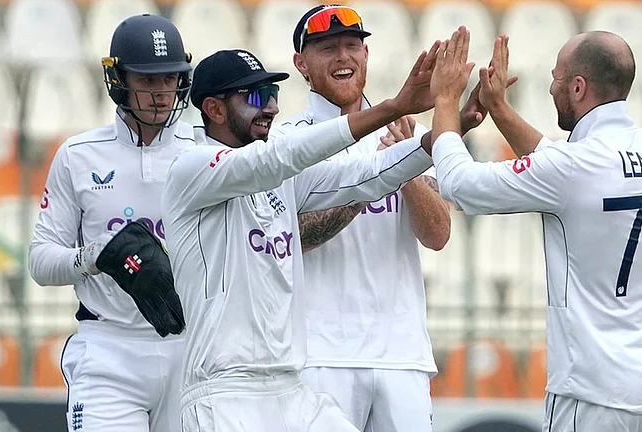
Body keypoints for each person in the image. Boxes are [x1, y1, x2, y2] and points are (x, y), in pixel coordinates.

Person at [426, 27, 642, 432]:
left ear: (578, 87)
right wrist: (499, 109)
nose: (550, 89)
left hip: (600, 395)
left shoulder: (572, 169)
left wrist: (445, 101)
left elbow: (457, 183)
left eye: (555, 79)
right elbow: (562, 167)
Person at [161, 44, 446, 431]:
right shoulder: (192, 168)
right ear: (214, 109)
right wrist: (391, 109)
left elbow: (368, 176)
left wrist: (444, 130)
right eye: (257, 97)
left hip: (291, 388)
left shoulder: (278, 177)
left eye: (274, 95)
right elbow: (278, 159)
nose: (273, 108)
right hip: (224, 392)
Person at [265, 5, 450, 430]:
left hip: (402, 354)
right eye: (327, 48)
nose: (343, 57)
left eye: (352, 45)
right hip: (318, 355)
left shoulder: (402, 132)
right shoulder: (288, 142)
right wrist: (378, 177)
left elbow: (438, 234)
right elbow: (292, 239)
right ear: (301, 64)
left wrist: (405, 173)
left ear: (366, 55)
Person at [28, 14, 194, 431]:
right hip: (109, 350)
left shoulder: (204, 149)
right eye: (147, 80)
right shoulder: (78, 155)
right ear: (118, 79)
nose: (161, 93)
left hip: (191, 351)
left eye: (169, 79)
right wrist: (96, 256)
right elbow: (40, 261)